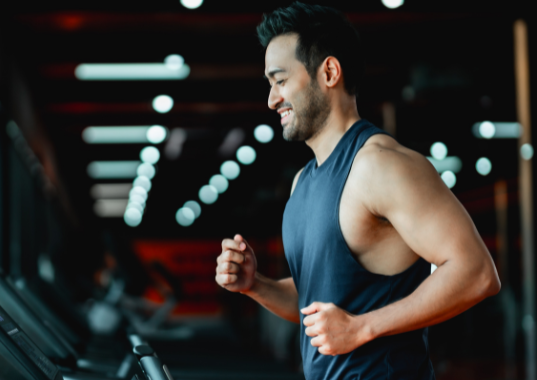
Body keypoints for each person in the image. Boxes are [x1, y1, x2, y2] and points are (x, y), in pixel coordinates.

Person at [214, 3, 501, 379]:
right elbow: (318, 307)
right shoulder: (303, 182)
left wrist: (361, 327)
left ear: (329, 72)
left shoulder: (381, 165)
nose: (272, 99)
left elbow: (477, 273)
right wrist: (257, 285)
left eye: (280, 80)